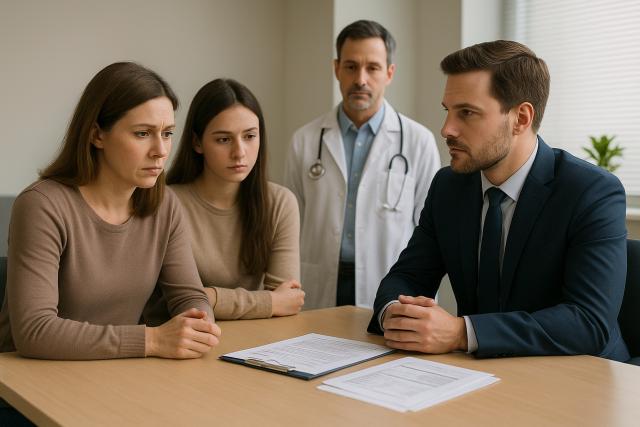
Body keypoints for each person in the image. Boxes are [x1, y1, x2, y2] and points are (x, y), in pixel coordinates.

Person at [368, 40, 630, 361]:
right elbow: (408, 276)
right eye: (447, 111)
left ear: (520, 118)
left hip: (579, 381)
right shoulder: (449, 186)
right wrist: (395, 312)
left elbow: (588, 321)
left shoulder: (590, 192)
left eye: (467, 113)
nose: (446, 129)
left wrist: (461, 332)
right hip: (482, 376)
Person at [0, 62, 221, 361]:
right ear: (97, 135)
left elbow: (189, 295)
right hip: (26, 387)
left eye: (167, 133)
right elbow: (35, 332)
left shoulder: (165, 205)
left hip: (114, 374)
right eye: (143, 133)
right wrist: (153, 340)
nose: (160, 150)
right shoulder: (42, 205)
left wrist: (199, 324)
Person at [284, 20, 441, 309]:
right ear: (336, 69)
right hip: (318, 283)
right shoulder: (304, 140)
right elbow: (290, 229)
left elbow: (430, 234)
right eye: (351, 66)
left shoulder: (419, 142)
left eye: (373, 67)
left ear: (389, 73)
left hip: (389, 282)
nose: (361, 79)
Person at [157, 78, 304, 320]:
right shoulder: (165, 202)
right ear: (197, 142)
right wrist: (268, 302)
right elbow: (175, 303)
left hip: (252, 343)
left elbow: (288, 301)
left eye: (249, 136)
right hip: (182, 342)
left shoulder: (280, 202)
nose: (239, 152)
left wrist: (210, 297)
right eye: (223, 139)